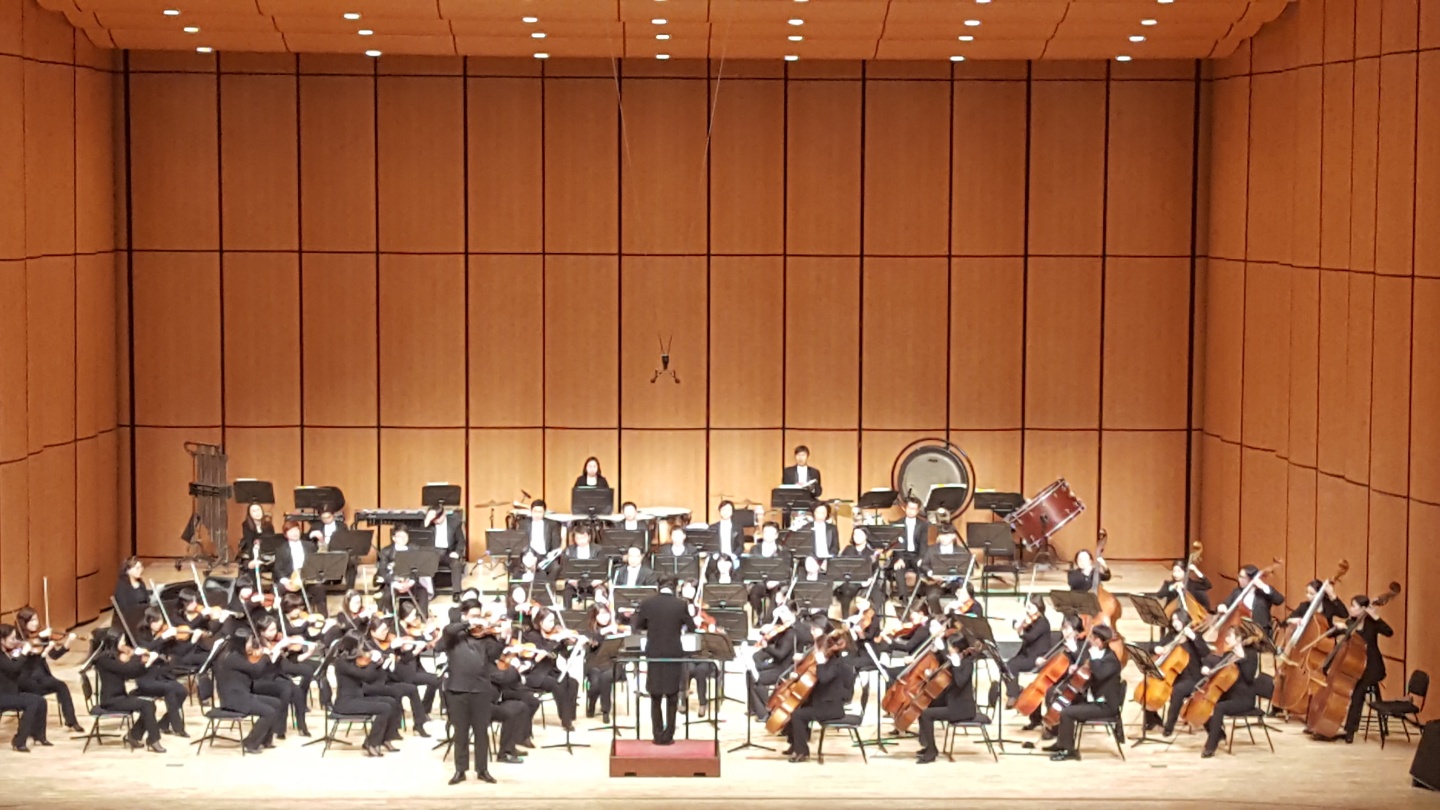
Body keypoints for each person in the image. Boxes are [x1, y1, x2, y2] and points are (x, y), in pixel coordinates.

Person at [436, 602, 519, 785]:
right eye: (473, 615)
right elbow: (448, 631)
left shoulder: (486, 637)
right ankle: (460, 771)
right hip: (457, 690)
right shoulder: (454, 635)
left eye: (479, 615)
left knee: (482, 732)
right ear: (464, 616)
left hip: (481, 689)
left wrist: (503, 638)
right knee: (461, 733)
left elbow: (494, 655)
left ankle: (482, 770)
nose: (478, 620)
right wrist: (468, 624)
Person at [632, 576, 695, 745]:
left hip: (654, 652)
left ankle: (657, 735)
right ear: (674, 587)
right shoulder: (680, 604)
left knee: (656, 695)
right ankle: (669, 735)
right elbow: (692, 627)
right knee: (672, 695)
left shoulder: (647, 603)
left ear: (658, 586)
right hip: (673, 653)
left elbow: (638, 625)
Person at [1047, 625, 1124, 761]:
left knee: (1067, 712)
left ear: (1099, 641)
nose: (1090, 640)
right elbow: (1088, 673)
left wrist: (1093, 659)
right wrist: (1076, 669)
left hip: (1104, 705)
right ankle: (1061, 742)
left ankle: (1069, 750)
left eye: (1092, 638)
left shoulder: (1111, 660)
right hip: (1093, 698)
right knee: (1062, 698)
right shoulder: (1097, 656)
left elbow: (1099, 674)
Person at [781, 630, 854, 763]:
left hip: (831, 708)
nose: (814, 651)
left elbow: (824, 679)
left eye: (817, 648)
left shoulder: (836, 664)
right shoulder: (829, 662)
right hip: (822, 704)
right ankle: (795, 745)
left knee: (798, 715)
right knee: (796, 709)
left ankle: (802, 752)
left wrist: (820, 663)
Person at [91, 628, 165, 753]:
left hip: (120, 696)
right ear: (114, 641)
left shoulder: (113, 658)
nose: (125, 644)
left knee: (150, 705)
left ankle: (134, 736)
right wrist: (142, 659)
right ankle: (153, 740)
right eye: (122, 641)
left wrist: (145, 663)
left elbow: (131, 674)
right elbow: (128, 670)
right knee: (146, 705)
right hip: (111, 700)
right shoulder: (104, 660)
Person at [331, 634, 402, 758]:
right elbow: (364, 675)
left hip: (357, 698)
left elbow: (370, 679)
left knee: (392, 701)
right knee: (384, 708)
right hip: (346, 703)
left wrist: (380, 664)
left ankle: (386, 739)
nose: (363, 651)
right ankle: (372, 743)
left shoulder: (354, 661)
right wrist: (373, 662)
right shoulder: (341, 663)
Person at [215, 631, 286, 754]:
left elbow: (253, 673)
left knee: (276, 703)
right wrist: (265, 657)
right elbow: (255, 671)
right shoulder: (233, 658)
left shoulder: (237, 655)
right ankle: (250, 743)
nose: (250, 645)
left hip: (242, 695)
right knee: (268, 712)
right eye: (248, 642)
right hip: (234, 699)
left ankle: (265, 741)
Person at [1142, 610, 1210, 738]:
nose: (1175, 623)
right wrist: (1156, 648)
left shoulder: (1195, 636)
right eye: (1173, 620)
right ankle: (1152, 720)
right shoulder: (1172, 635)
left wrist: (1193, 638)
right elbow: (1155, 646)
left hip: (1193, 678)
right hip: (1176, 675)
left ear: (1184, 620)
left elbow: (1206, 652)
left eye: (1177, 620)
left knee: (1177, 691)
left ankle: (1169, 727)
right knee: (1149, 686)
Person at [14, 607, 82, 733]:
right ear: (24, 623)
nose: (36, 623)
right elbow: (19, 655)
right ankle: (35, 730)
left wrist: (68, 642)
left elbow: (55, 655)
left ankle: (71, 721)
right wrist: (40, 636)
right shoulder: (18, 638)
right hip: (26, 679)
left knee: (62, 686)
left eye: (36, 619)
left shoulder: (42, 637)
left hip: (42, 676)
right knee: (36, 694)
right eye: (32, 620)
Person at [1338, 593, 1393, 743]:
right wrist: (1338, 629)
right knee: (1354, 690)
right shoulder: (1350, 623)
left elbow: (1389, 632)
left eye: (1353, 606)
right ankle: (1342, 722)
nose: (1350, 608)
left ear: (1363, 609)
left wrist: (1375, 616)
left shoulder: (1372, 623)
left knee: (1358, 692)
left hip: (1373, 668)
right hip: (1356, 666)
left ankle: (1350, 730)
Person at [916, 635, 979, 764]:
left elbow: (960, 682)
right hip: (952, 701)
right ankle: (927, 745)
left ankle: (931, 752)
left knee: (926, 714)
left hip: (961, 708)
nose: (949, 650)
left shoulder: (967, 664)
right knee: (923, 706)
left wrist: (955, 665)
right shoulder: (957, 660)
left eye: (951, 648)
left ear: (958, 649)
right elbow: (944, 662)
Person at [1200, 625, 1259, 757]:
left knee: (1219, 707)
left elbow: (1249, 677)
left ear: (1239, 638)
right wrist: (1207, 667)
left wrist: (1242, 659)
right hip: (1230, 694)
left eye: (1229, 636)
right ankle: (1218, 734)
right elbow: (1215, 662)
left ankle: (1211, 746)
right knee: (1204, 703)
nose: (1226, 639)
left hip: (1244, 699)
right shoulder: (1229, 654)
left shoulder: (1251, 654)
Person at [521, 609, 581, 732]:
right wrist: (555, 640)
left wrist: (575, 646)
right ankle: (566, 720)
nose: (552, 624)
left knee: (573, 682)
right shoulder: (532, 636)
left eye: (553, 621)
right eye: (549, 621)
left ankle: (570, 715)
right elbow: (543, 652)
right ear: (540, 622)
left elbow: (566, 655)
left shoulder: (555, 636)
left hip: (551, 671)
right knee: (557, 685)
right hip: (536, 673)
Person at [0, 624, 51, 751]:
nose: (15, 641)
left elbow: (15, 669)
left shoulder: (6, 653)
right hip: (3, 695)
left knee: (41, 701)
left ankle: (39, 736)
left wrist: (23, 655)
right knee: (31, 703)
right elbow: (13, 669)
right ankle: (19, 741)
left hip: (11, 692)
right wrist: (23, 653)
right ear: (2, 640)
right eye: (12, 638)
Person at [1003, 596, 1053, 705]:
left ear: (1038, 607)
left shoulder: (1042, 622)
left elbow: (1030, 637)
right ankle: (1015, 690)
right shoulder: (1032, 621)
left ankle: (1014, 695)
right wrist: (1018, 623)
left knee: (1012, 666)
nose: (1027, 610)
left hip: (1037, 657)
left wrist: (1021, 631)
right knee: (1005, 667)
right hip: (1027, 654)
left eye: (1030, 607)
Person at [377, 527, 431, 617]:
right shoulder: (386, 551)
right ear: (394, 538)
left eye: (405, 536)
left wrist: (411, 581)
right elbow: (382, 571)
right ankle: (390, 618)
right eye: (399, 536)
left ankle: (421, 618)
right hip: (394, 584)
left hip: (410, 583)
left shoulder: (415, 549)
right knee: (387, 595)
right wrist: (395, 583)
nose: (403, 538)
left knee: (423, 592)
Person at [744, 522, 792, 623]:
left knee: (777, 594)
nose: (768, 535)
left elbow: (787, 570)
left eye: (771, 533)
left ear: (776, 535)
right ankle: (760, 615)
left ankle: (769, 621)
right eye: (766, 532)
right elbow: (751, 568)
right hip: (759, 581)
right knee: (754, 593)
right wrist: (764, 581)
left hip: (777, 582)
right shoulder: (755, 549)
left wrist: (776, 581)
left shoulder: (783, 551)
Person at [1221, 565, 1285, 639]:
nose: (1239, 579)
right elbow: (1226, 603)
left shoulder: (1264, 592)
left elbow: (1279, 600)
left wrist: (1263, 586)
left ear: (1251, 579)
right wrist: (1222, 606)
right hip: (1240, 631)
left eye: (1242, 577)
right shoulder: (1237, 592)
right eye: (1239, 576)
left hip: (1261, 632)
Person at [424, 507, 468, 597]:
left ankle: (456, 592)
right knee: (425, 564)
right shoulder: (429, 523)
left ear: (444, 514)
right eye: (434, 519)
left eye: (438, 518)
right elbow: (421, 537)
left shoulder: (454, 523)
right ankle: (430, 592)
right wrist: (427, 520)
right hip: (433, 552)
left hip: (448, 552)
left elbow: (461, 541)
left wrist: (457, 552)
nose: (436, 521)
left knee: (456, 564)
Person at [560, 526, 605, 609]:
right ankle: (567, 614)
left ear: (589, 537)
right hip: (576, 582)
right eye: (578, 538)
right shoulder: (569, 550)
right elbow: (565, 568)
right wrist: (570, 580)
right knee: (567, 592)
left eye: (583, 537)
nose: (581, 541)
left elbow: (603, 567)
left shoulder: (598, 549)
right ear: (574, 539)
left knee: (600, 591)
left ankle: (600, 613)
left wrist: (599, 579)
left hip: (593, 582)